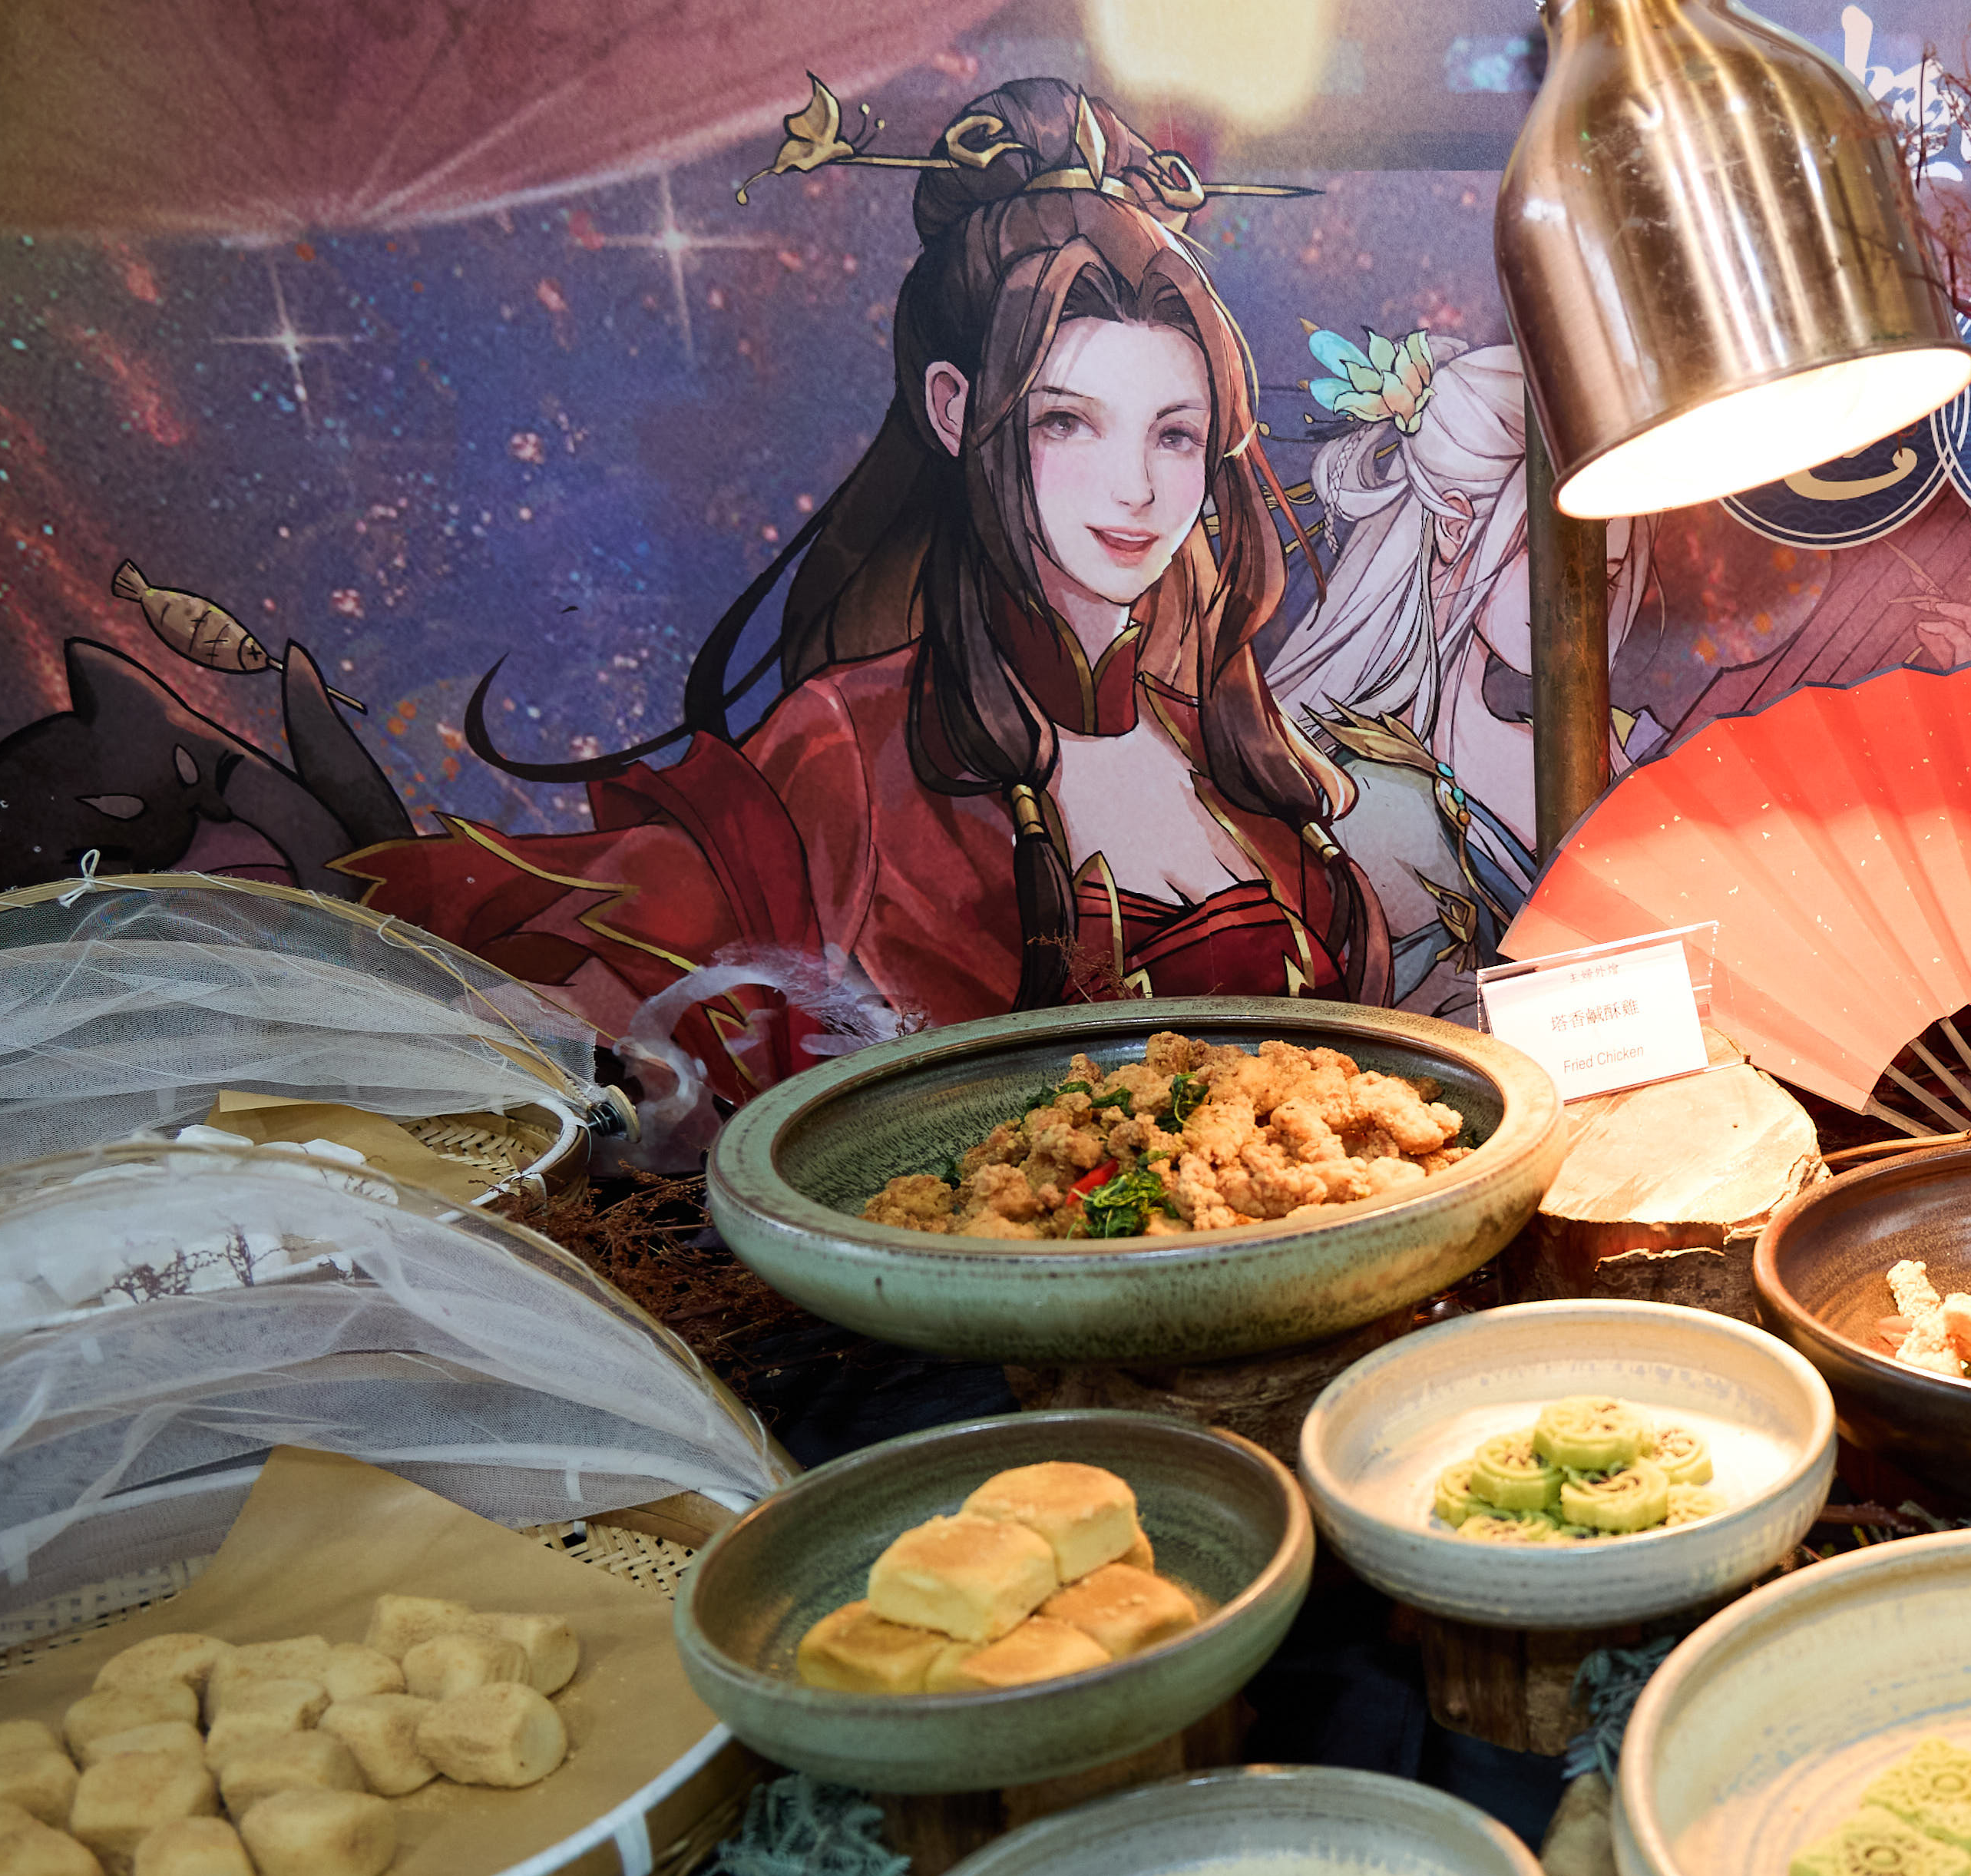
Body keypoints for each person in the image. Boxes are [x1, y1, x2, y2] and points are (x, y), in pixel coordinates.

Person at [346, 78, 1383, 1152]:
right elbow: (650, 1007)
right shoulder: (847, 746)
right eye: (1067, 422)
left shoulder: (1230, 751)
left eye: (1175, 435)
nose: (1137, 490)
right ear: (954, 411)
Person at [1262, 333, 1637, 1021]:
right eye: (1561, 567)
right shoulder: (1375, 799)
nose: (1587, 606)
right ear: (1457, 527)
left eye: (1607, 579)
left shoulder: (1602, 750)